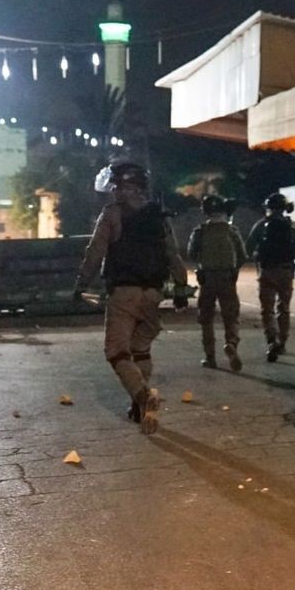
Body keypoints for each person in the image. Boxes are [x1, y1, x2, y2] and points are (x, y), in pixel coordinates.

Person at [73, 161, 189, 434]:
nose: (112, 191)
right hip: (153, 293)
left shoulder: (112, 214)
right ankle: (138, 407)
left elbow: (95, 251)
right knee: (140, 348)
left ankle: (144, 396)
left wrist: (81, 284)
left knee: (116, 351)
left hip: (124, 293)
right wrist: (181, 289)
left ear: (122, 187)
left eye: (115, 186)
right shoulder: (158, 215)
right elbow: (172, 253)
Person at [247, 192, 295, 363]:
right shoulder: (292, 226)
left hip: (267, 272)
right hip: (286, 272)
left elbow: (248, 248)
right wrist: (292, 251)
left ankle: (271, 340)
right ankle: (282, 342)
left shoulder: (261, 225)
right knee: (284, 308)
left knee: (267, 309)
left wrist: (259, 254)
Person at [187, 194, 245, 371]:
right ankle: (232, 343)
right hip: (227, 277)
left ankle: (210, 357)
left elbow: (191, 254)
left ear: (205, 211)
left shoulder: (200, 231)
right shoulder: (232, 230)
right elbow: (243, 255)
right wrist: (233, 268)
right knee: (231, 315)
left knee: (206, 318)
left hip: (207, 278)